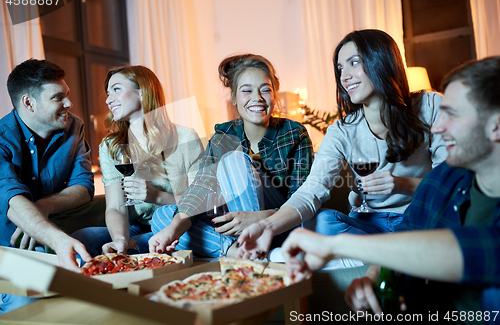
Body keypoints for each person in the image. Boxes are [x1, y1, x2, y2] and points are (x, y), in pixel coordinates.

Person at [281, 56, 500, 320]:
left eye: (451, 114)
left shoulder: (426, 115)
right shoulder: (444, 181)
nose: (438, 127)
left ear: (495, 125)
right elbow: (409, 233)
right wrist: (373, 277)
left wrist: (337, 246)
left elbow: (479, 252)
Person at [236, 29, 447, 259]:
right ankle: (392, 255)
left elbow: (452, 181)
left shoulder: (430, 106)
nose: (344, 76)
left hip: (419, 217)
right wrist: (268, 226)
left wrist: (403, 185)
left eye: (353, 63)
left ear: (381, 60)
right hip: (368, 227)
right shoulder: (342, 131)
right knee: (321, 222)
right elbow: (310, 191)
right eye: (340, 69)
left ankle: (369, 256)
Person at [148, 54, 313, 258]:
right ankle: (238, 251)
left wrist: (258, 218)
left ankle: (252, 247)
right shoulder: (223, 136)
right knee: (162, 218)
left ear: (274, 94)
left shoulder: (294, 133)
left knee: (233, 159)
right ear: (234, 97)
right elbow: (203, 187)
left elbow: (302, 197)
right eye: (247, 90)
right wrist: (173, 228)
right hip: (234, 224)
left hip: (280, 223)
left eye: (265, 89)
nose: (257, 98)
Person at [71, 65, 204, 257]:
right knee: (83, 239)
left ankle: (140, 249)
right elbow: (116, 207)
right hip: (135, 228)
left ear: (142, 92)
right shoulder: (111, 146)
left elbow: (198, 203)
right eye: (108, 93)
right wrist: (120, 240)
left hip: (176, 224)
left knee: (158, 239)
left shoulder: (185, 138)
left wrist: (157, 197)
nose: (108, 100)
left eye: (116, 89)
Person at [0, 59, 99, 312]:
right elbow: (12, 200)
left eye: (67, 95)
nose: (69, 103)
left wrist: (42, 207)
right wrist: (57, 240)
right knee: (28, 301)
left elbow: (83, 186)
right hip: (6, 252)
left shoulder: (74, 127)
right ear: (28, 103)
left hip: (51, 241)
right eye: (58, 98)